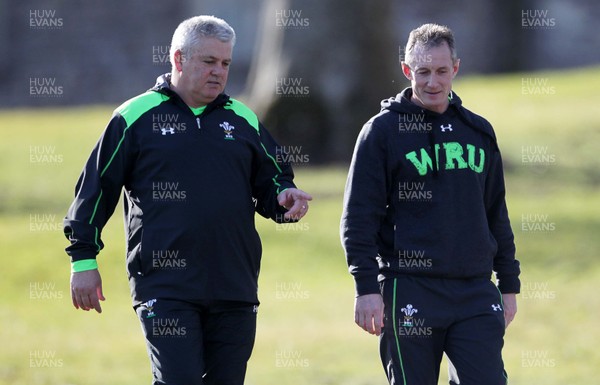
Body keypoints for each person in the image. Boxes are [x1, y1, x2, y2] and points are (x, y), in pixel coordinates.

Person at [64, 15, 312, 385]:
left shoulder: (242, 118)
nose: (219, 72)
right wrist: (83, 259)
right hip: (165, 286)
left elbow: (274, 184)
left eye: (225, 63)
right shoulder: (134, 117)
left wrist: (286, 199)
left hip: (234, 285)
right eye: (209, 62)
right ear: (179, 59)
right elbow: (95, 190)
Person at [340, 23, 520, 385]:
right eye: (423, 72)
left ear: (455, 67)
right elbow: (358, 219)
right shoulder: (381, 133)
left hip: (474, 290)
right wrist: (366, 288)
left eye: (441, 71)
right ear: (407, 70)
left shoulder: (479, 132)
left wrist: (509, 284)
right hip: (409, 287)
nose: (432, 82)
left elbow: (495, 213)